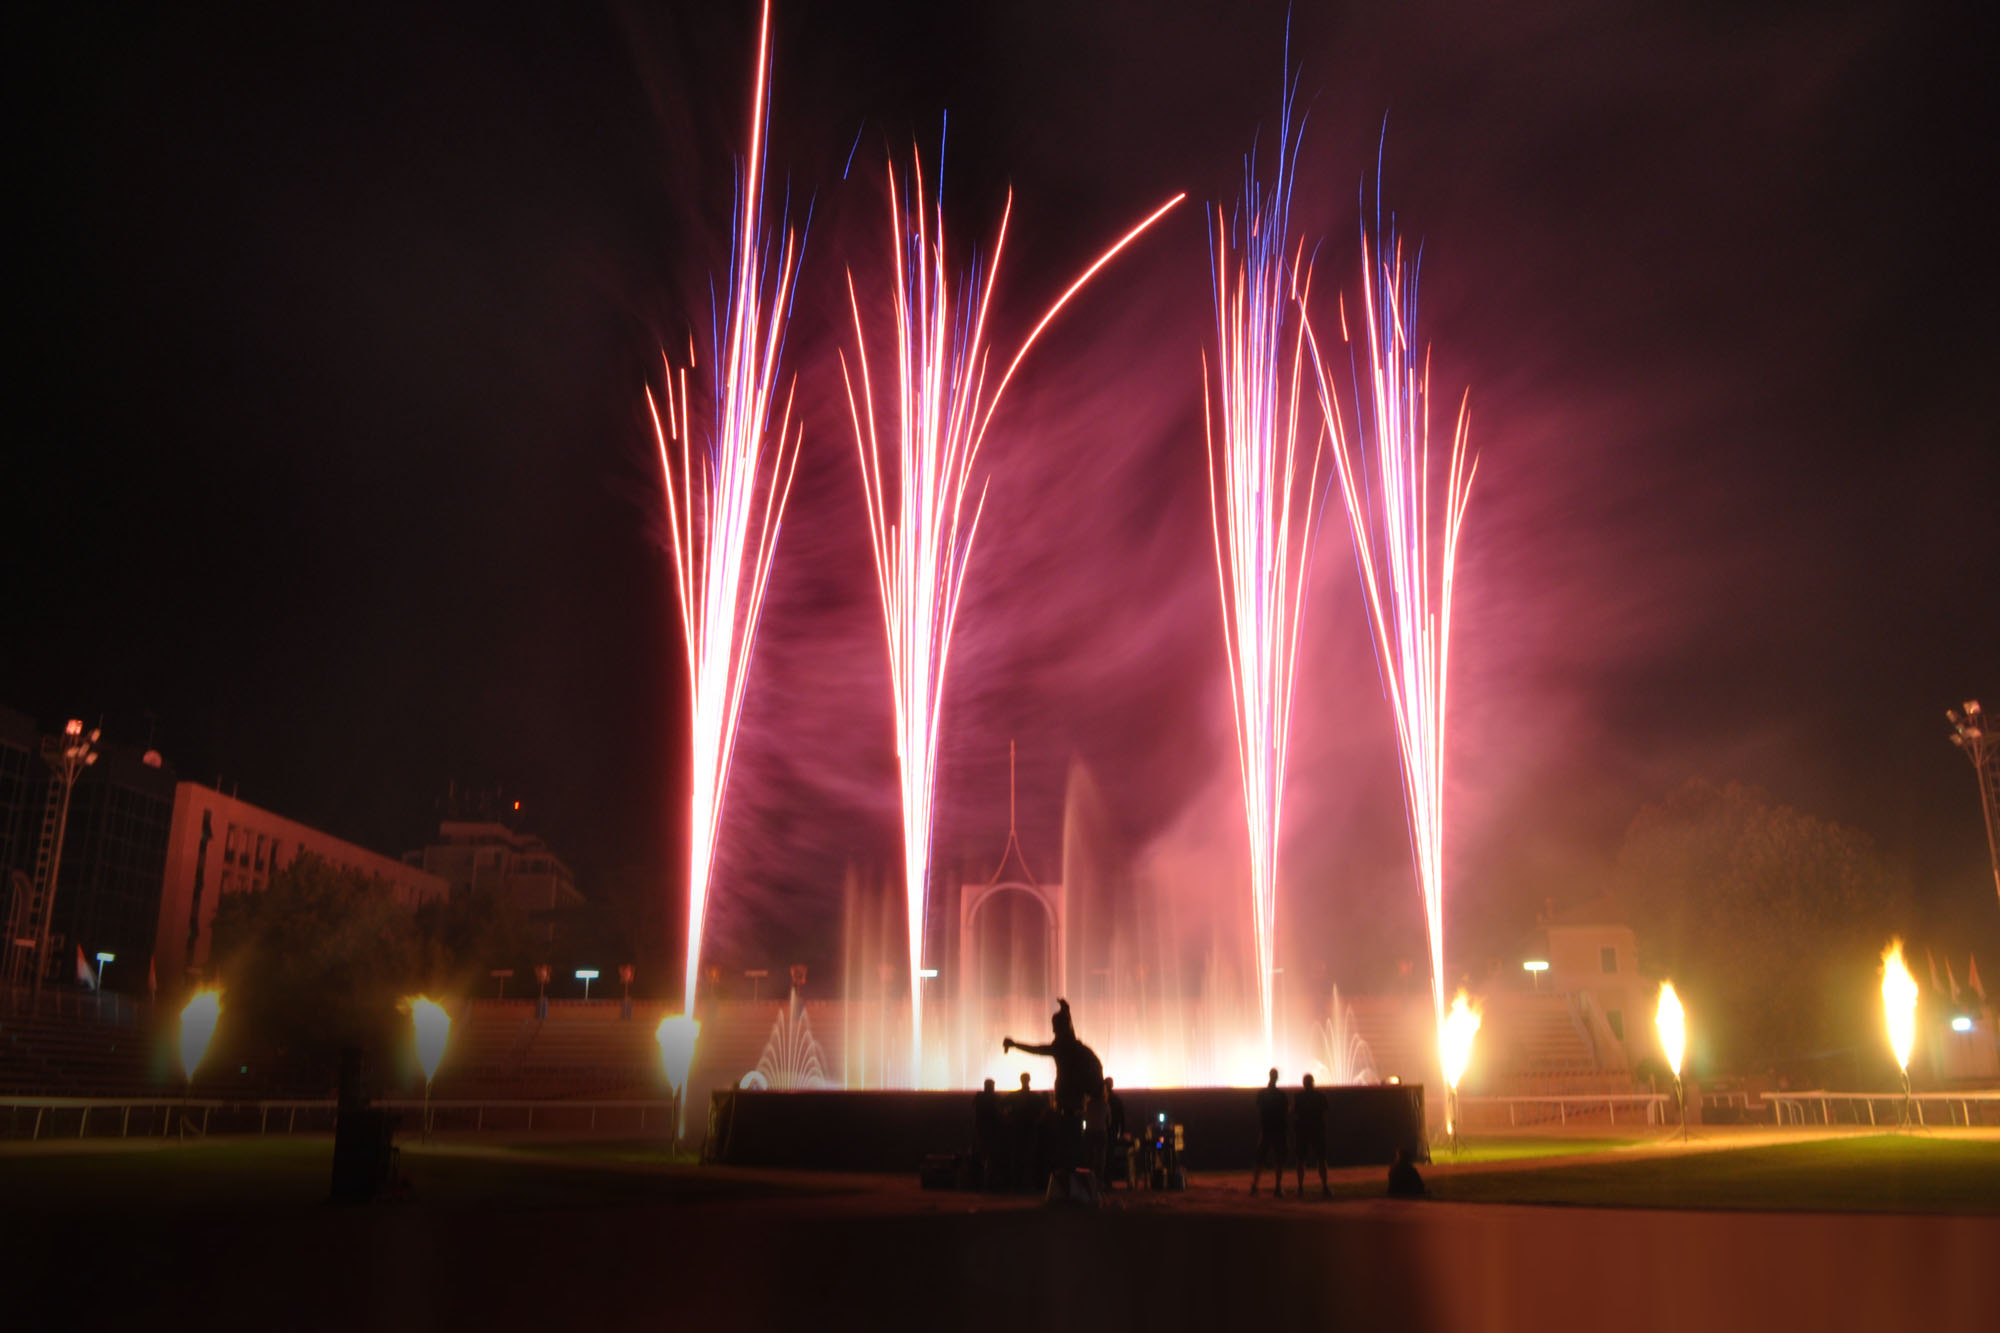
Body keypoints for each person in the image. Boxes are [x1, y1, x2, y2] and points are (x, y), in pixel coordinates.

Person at [1250, 1067, 1288, 1196]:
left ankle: (1255, 1186)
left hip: (1266, 1129)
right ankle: (1278, 1187)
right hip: (1277, 1130)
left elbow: (1259, 1108)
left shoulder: (1262, 1094)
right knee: (1279, 1159)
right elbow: (1286, 1111)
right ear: (1276, 1077)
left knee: (1260, 1159)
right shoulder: (1281, 1095)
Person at [1293, 1072, 1331, 1197]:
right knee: (1321, 1159)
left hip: (1303, 1131)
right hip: (1317, 1130)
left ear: (1304, 1084)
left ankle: (1300, 1187)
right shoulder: (1320, 1096)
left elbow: (1293, 1112)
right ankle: (1325, 1186)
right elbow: (1326, 1112)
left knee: (1301, 1160)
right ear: (1313, 1083)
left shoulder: (1298, 1097)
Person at [1007, 1071, 1046, 1190]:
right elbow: (1044, 1108)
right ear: (1028, 1080)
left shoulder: (1015, 1096)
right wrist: (1038, 1120)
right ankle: (1026, 1183)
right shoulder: (1034, 1097)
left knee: (1019, 1156)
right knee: (1028, 1156)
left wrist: (1008, 1118)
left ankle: (1017, 1183)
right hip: (1028, 1128)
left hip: (1020, 1128)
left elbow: (1001, 1105)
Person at [973, 1077, 1003, 1189]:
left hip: (982, 1131)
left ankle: (983, 1181)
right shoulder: (995, 1098)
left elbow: (975, 1112)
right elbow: (999, 1112)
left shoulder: (979, 1097)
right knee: (991, 1157)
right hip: (991, 1131)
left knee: (984, 1156)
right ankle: (989, 1182)